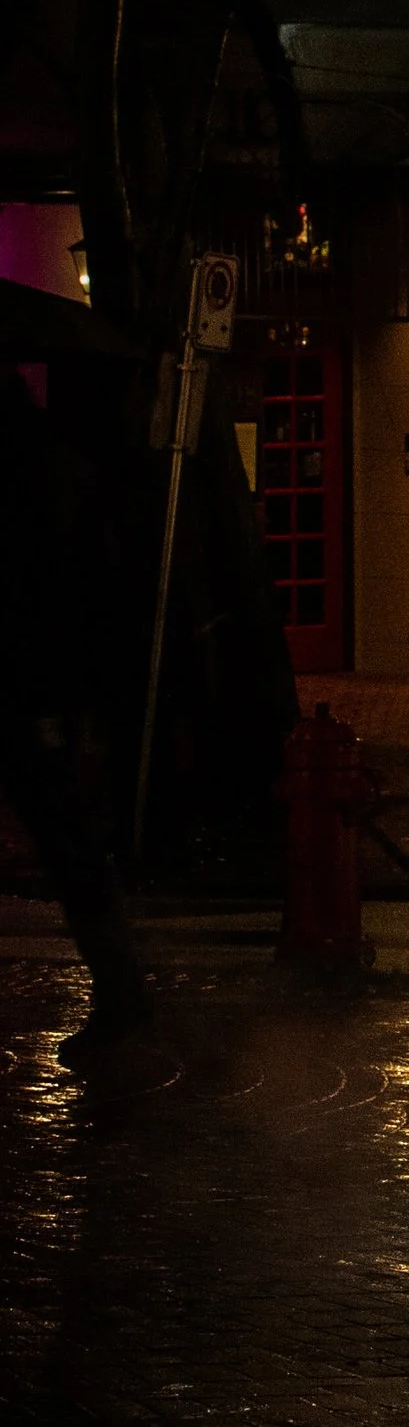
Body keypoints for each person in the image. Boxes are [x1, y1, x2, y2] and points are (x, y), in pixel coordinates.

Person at [0, 370, 153, 1062]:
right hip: (47, 687)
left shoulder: (35, 481)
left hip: (32, 685)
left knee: (71, 848)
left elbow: (49, 590)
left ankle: (122, 994)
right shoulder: (65, 473)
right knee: (73, 850)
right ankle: (121, 991)